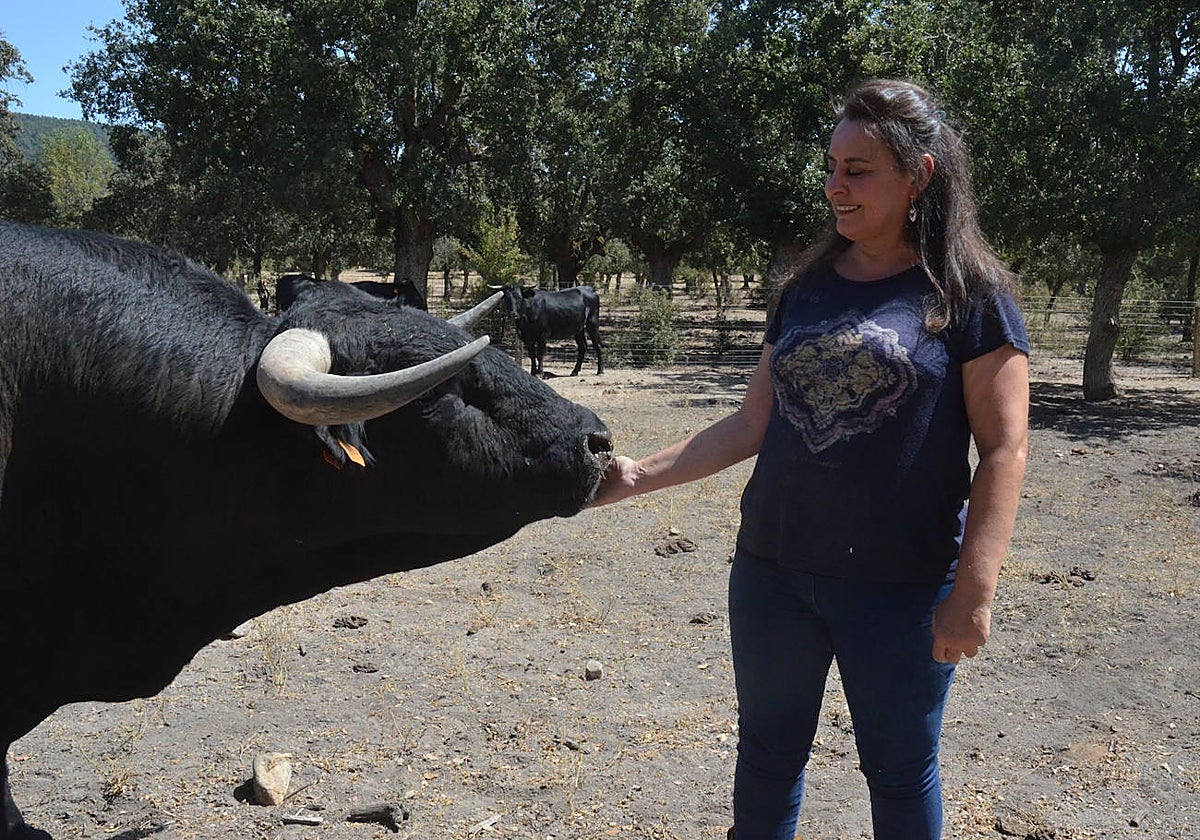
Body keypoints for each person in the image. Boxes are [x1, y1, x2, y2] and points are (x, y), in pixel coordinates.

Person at [591, 78, 1029, 840]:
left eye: (858, 170)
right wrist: (635, 475)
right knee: (766, 758)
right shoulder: (806, 286)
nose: (835, 186)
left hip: (901, 587)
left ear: (919, 175)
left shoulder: (971, 295)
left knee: (899, 772)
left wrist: (976, 590)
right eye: (831, 167)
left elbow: (1003, 448)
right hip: (772, 574)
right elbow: (754, 421)